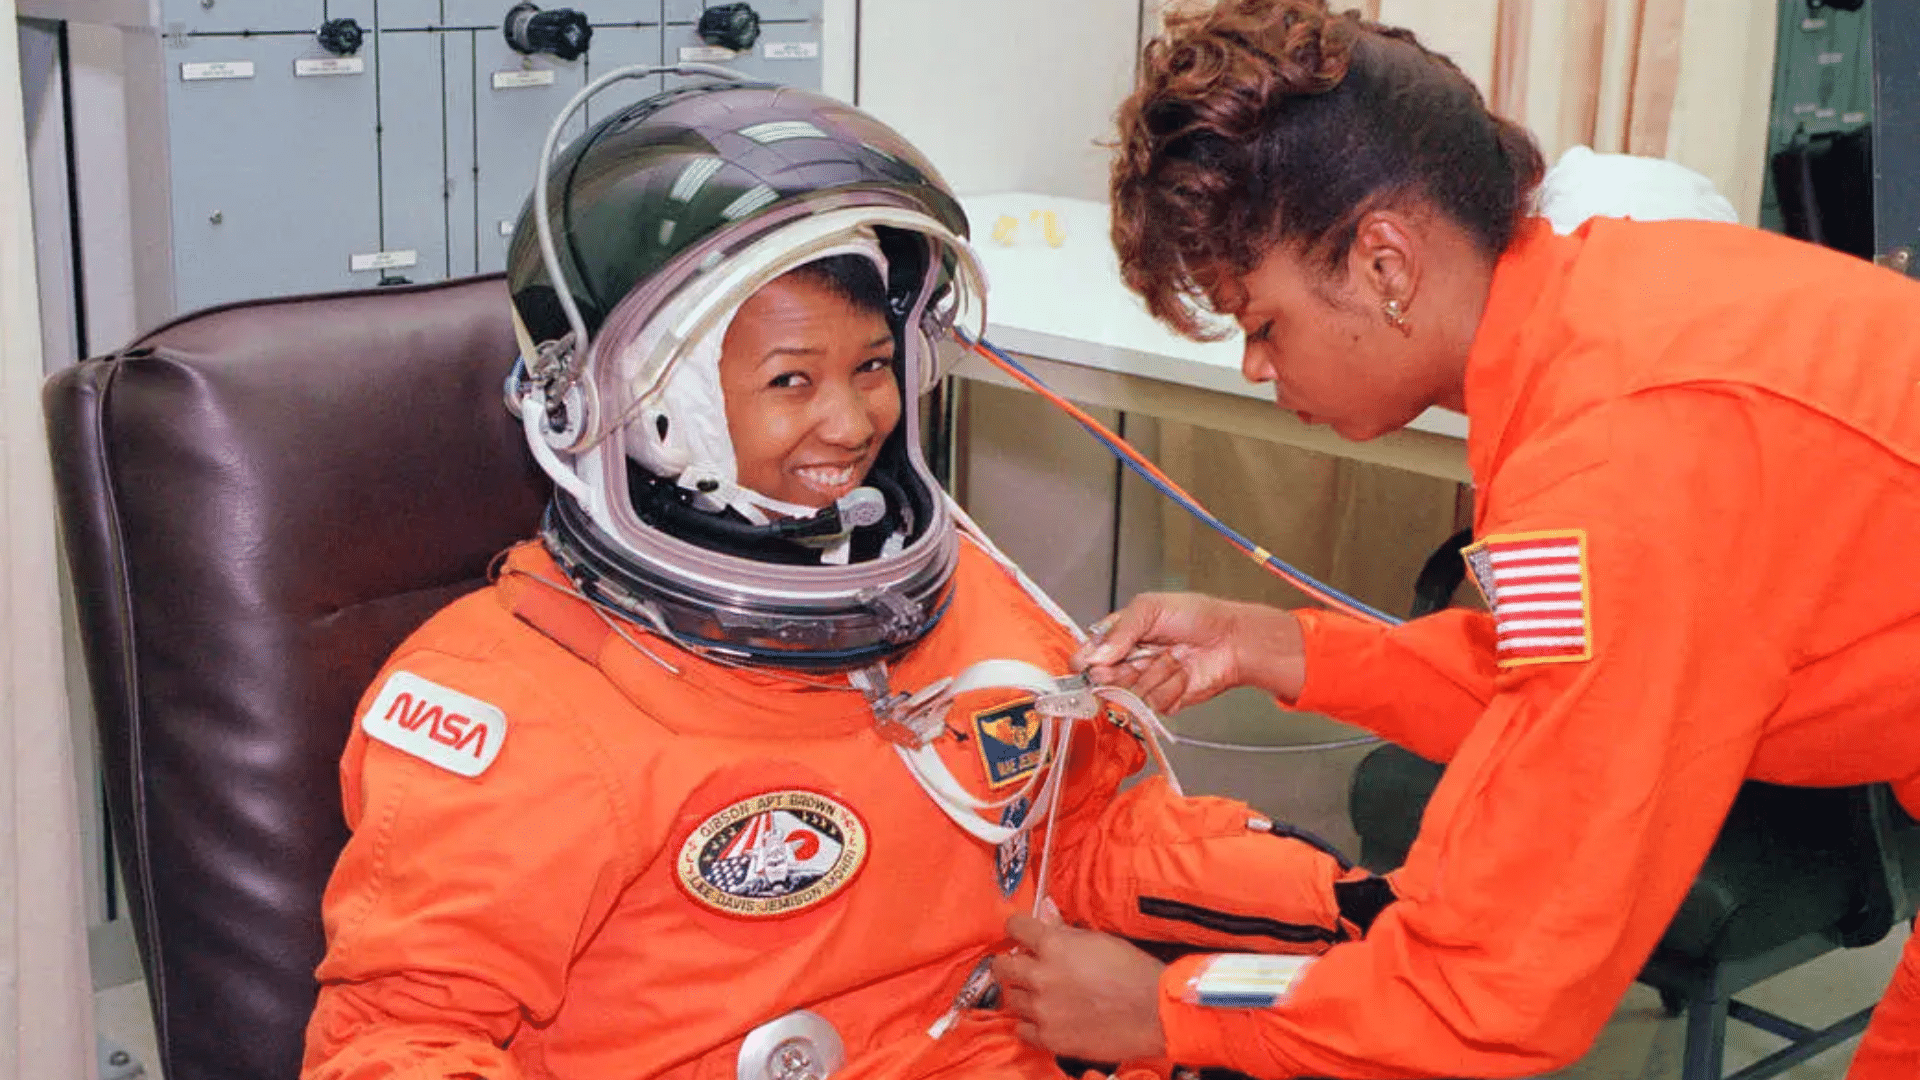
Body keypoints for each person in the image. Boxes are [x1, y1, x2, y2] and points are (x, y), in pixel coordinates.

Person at [299, 79, 1383, 1080]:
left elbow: (1088, 838)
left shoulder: (969, 605)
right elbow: (404, 1039)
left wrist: (1356, 904)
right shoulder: (515, 704)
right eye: (790, 380)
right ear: (646, 400)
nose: (855, 419)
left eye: (872, 366)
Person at [990, 1, 1920, 1078]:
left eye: (1262, 322)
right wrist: (1272, 644)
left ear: (1384, 263)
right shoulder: (1598, 313)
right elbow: (1563, 698)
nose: (1255, 366)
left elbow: (1494, 991)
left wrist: (1169, 1008)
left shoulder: (1617, 458)